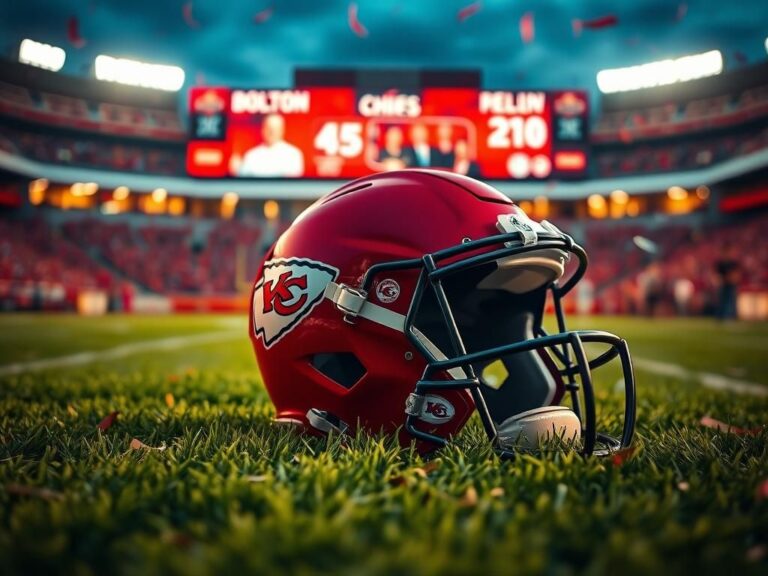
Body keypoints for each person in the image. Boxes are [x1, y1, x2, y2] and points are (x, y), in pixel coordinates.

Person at [238, 114, 304, 177]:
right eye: (269, 128)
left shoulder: (293, 154)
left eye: (276, 129)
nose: (272, 132)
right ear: (263, 130)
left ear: (282, 130)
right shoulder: (251, 155)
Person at [715, 242, 740, 320]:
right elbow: (717, 276)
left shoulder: (734, 263)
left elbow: (736, 276)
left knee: (731, 302)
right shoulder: (720, 263)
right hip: (723, 285)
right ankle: (721, 317)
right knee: (722, 301)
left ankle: (731, 317)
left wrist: (728, 278)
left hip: (731, 285)